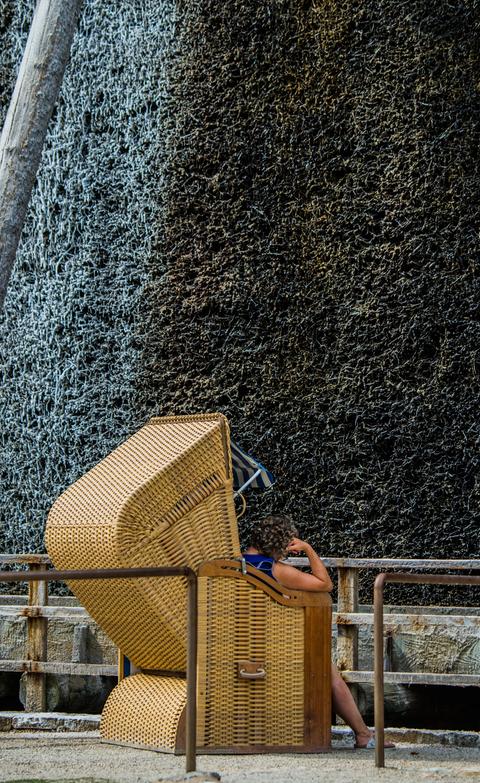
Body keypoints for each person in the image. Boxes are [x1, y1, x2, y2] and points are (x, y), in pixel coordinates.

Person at [243, 514, 394, 750]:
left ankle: (364, 733)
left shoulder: (235, 564)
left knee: (328, 668)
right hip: (278, 643)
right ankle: (363, 734)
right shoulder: (273, 569)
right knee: (330, 673)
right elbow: (324, 584)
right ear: (280, 543)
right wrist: (308, 549)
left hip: (245, 640)